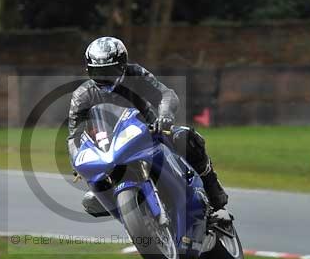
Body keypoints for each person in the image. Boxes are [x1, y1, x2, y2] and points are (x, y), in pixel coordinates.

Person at [68, 36, 229, 218]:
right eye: (98, 73)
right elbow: (75, 135)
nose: (104, 78)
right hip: (109, 150)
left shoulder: (135, 75)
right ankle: (135, 220)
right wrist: (77, 159)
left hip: (150, 133)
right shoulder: (82, 95)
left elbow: (165, 94)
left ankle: (216, 197)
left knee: (187, 138)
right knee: (91, 198)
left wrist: (165, 116)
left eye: (110, 71)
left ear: (122, 65)